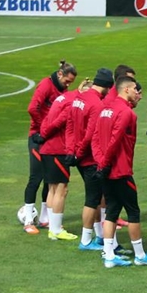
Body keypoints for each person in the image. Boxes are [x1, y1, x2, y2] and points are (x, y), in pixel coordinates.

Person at [92, 76, 147, 268]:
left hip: (105, 170)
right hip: (120, 170)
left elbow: (95, 138)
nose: (138, 94)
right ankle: (140, 255)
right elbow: (115, 140)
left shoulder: (105, 109)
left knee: (112, 210)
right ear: (127, 89)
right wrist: (105, 162)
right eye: (135, 90)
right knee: (133, 212)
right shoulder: (127, 113)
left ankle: (109, 256)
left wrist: (100, 163)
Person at [22, 60, 77, 234]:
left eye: (71, 83)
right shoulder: (46, 85)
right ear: (59, 74)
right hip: (37, 137)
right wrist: (40, 128)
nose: (68, 85)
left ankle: (45, 217)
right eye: (67, 81)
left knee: (49, 178)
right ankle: (28, 219)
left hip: (48, 137)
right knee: (36, 177)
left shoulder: (62, 90)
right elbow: (32, 108)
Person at [39, 77, 91, 241]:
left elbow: (48, 119)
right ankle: (55, 229)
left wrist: (43, 135)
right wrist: (45, 134)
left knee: (53, 189)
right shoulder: (73, 103)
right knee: (61, 189)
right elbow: (60, 122)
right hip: (57, 149)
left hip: (47, 149)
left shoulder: (63, 97)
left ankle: (52, 226)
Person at [70, 68, 113, 251]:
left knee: (96, 197)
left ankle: (98, 235)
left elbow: (70, 125)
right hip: (89, 158)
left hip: (78, 155)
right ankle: (86, 240)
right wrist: (79, 152)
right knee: (92, 199)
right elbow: (90, 134)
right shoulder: (97, 104)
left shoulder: (79, 98)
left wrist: (71, 150)